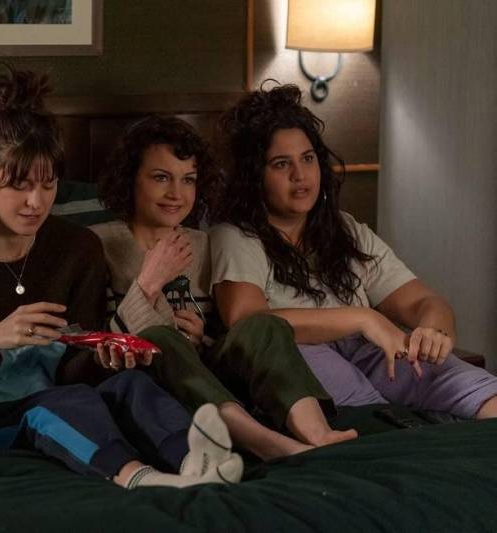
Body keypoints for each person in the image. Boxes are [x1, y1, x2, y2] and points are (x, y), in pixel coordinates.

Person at [0, 67, 243, 489]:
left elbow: (77, 366)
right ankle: (138, 477)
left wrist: (104, 355)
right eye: (18, 186)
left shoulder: (77, 248)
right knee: (63, 401)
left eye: (48, 184)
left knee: (129, 383)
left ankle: (196, 461)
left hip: (71, 393)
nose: (36, 203)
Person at [210, 84, 497, 419]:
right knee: (373, 416)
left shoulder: (346, 229)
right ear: (253, 176)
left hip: (371, 353)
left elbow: (424, 302)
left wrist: (432, 331)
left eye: (307, 158)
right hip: (299, 355)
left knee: (476, 389)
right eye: (280, 164)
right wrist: (362, 318)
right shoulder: (236, 235)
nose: (300, 175)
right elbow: (248, 322)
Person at [91, 115, 356, 460]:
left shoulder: (206, 245)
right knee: (158, 338)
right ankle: (263, 442)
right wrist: (148, 284)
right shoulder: (97, 244)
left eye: (188, 180)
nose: (176, 194)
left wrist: (202, 338)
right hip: (148, 387)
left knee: (263, 324)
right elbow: (97, 354)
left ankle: (319, 434)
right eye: (160, 178)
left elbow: (228, 347)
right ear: (131, 180)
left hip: (213, 383)